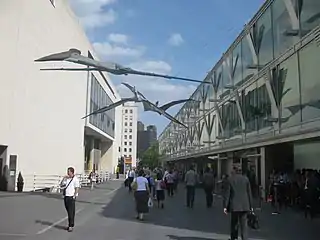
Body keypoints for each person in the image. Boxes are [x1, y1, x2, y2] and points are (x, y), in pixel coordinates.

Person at [223, 165, 253, 240]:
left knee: (234, 223)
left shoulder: (230, 179)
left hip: (234, 205)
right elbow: (249, 193)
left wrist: (225, 206)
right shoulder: (246, 179)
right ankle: (245, 238)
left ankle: (234, 238)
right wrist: (251, 206)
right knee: (244, 225)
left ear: (234, 170)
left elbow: (227, 194)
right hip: (245, 205)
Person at [60, 167, 80, 232]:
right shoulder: (67, 179)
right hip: (66, 196)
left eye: (68, 171)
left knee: (71, 212)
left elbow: (77, 187)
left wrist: (74, 195)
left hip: (71, 197)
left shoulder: (75, 179)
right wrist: (64, 178)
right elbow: (61, 185)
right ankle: (71, 224)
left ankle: (70, 226)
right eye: (67, 171)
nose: (67, 173)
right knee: (68, 211)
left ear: (72, 172)